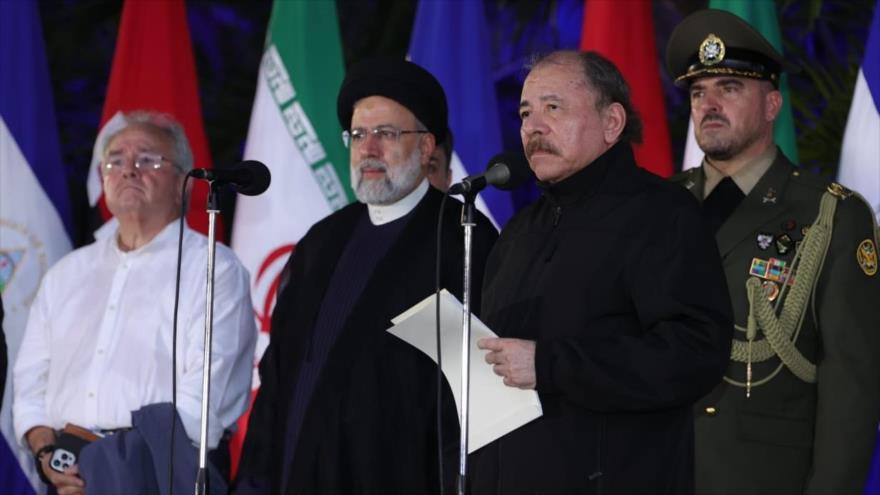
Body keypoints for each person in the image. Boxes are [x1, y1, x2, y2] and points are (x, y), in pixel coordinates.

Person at [468, 50, 734, 494]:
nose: (532, 127)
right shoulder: (518, 230)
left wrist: (549, 364)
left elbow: (694, 353)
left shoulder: (660, 215)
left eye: (553, 108)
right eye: (525, 113)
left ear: (611, 123)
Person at [235, 58, 497, 494]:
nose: (368, 149)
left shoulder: (462, 237)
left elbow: (476, 394)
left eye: (387, 134)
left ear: (427, 146)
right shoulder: (322, 241)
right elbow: (280, 373)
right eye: (358, 135)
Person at [666, 9, 880, 494]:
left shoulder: (830, 214)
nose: (709, 104)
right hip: (661, 469)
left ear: (772, 105)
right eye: (699, 92)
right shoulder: (658, 204)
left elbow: (851, 388)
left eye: (729, 88)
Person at [13, 111, 257, 494]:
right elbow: (29, 387)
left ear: (182, 183)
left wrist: (106, 463)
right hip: (62, 477)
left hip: (160, 473)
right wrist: (46, 453)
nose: (128, 170)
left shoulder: (213, 268)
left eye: (147, 159)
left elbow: (203, 404)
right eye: (115, 160)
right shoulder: (66, 274)